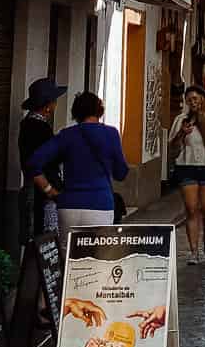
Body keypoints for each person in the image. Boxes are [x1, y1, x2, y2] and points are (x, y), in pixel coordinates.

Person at [24, 90, 128, 248]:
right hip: (100, 206)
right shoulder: (111, 134)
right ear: (99, 110)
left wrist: (49, 190)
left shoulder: (66, 135)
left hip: (69, 206)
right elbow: (121, 173)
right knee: (96, 259)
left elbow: (33, 163)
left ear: (76, 113)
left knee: (68, 260)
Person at [169, 84, 205, 263]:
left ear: (203, 100)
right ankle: (193, 252)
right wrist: (181, 134)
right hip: (186, 167)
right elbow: (173, 149)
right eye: (190, 99)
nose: (193, 102)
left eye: (196, 98)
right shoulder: (181, 120)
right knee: (191, 210)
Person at [17, 76, 66, 243]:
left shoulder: (28, 124)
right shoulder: (40, 128)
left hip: (37, 188)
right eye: (54, 101)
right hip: (42, 189)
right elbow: (41, 162)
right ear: (47, 105)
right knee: (44, 238)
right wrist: (50, 190)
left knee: (38, 237)